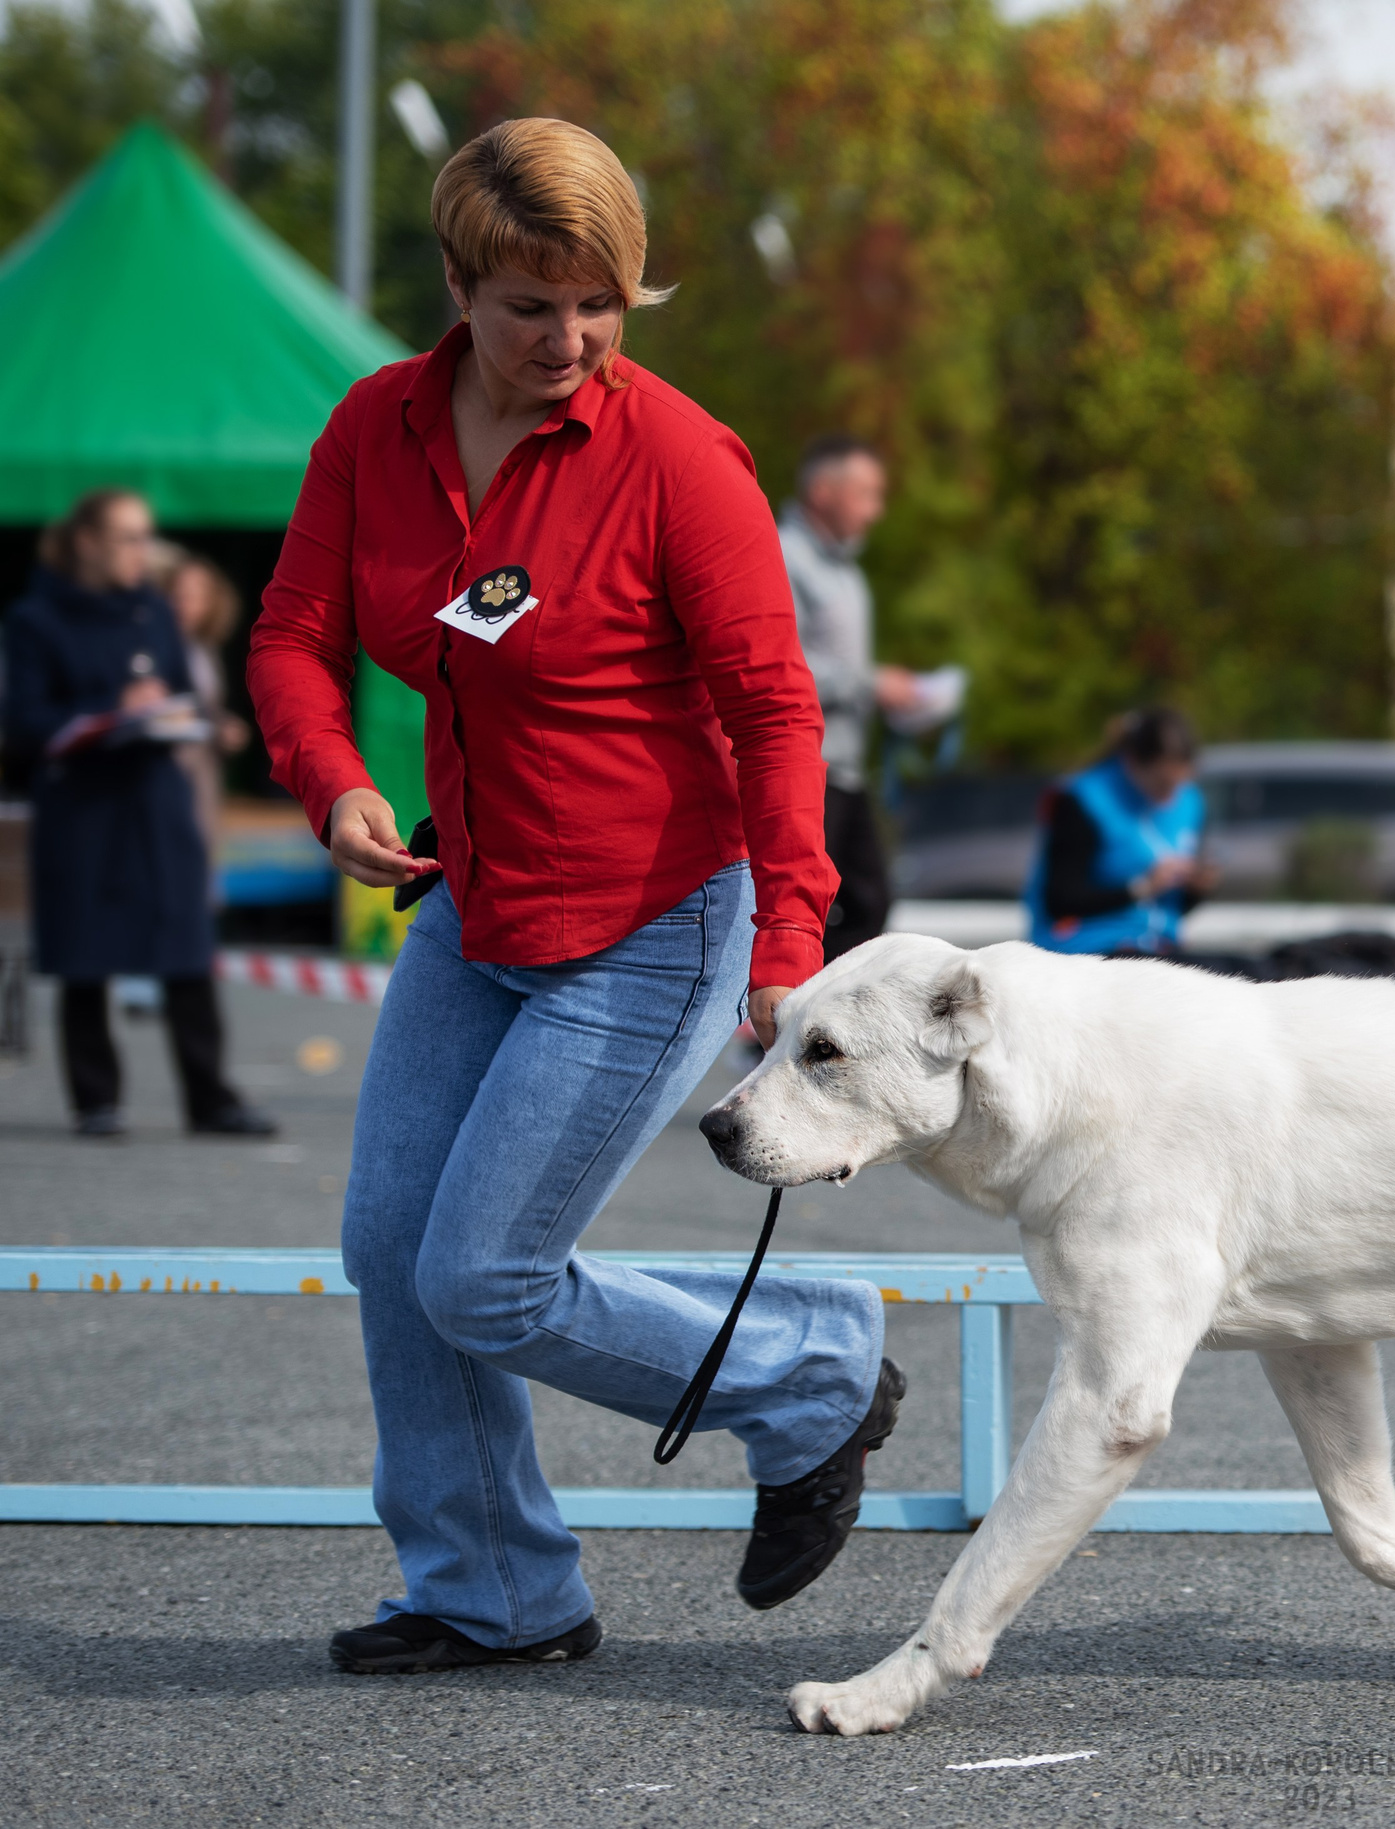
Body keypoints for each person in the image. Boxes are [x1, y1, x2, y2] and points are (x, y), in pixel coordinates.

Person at [247, 117, 901, 1677]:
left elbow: (773, 708)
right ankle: (494, 1589)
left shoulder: (676, 456)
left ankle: (809, 1372)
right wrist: (333, 776)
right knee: (393, 1247)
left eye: (601, 301)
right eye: (533, 304)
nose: (571, 339)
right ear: (461, 287)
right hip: (471, 905)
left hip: (654, 919)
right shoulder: (373, 432)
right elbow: (292, 635)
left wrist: (791, 948)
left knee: (483, 1274)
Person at [1, 490, 273, 1138]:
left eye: (145, 537)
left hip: (157, 799)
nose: (140, 551)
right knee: (85, 953)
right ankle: (96, 1100)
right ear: (87, 542)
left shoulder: (153, 609)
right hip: (83, 806)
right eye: (126, 536)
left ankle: (210, 1097)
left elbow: (181, 691)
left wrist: (189, 716)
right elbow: (25, 722)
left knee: (185, 943)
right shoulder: (36, 619)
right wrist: (112, 706)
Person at [778, 435, 920, 961]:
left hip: (847, 767)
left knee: (868, 901)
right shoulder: (783, 557)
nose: (875, 511)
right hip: (805, 767)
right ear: (822, 491)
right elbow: (772, 661)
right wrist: (868, 682)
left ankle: (816, 1014)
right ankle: (784, 1018)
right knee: (809, 906)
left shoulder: (846, 569)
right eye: (866, 494)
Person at [1025, 707, 1211, 954]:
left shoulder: (1189, 801)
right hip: (1087, 947)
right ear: (1132, 762)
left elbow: (1169, 907)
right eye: (1162, 783)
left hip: (1158, 945)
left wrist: (1196, 888)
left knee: (1255, 969)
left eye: (1180, 783)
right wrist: (1142, 887)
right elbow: (1059, 900)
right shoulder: (1083, 799)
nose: (1171, 797)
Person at [161, 551, 254, 902]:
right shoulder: (157, 647)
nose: (184, 604)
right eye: (177, 593)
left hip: (200, 772)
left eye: (195, 596)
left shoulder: (204, 649)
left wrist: (222, 726)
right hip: (170, 770)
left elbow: (201, 709)